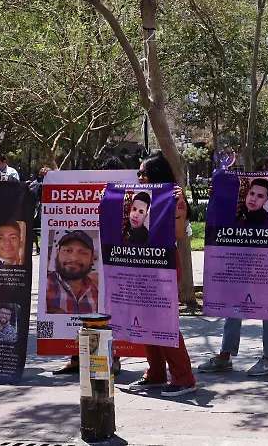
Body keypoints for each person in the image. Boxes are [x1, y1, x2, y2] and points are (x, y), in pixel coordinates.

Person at [199, 159, 268, 377]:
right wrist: (218, 194)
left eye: (260, 195)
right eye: (252, 194)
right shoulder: (241, 214)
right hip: (241, 262)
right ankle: (225, 355)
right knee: (233, 306)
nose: (254, 199)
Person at [128, 151, 197, 397]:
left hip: (164, 265)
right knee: (146, 319)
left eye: (143, 173)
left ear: (155, 174)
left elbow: (180, 235)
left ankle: (184, 377)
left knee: (164, 322)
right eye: (138, 173)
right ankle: (155, 372)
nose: (139, 178)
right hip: (141, 265)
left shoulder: (173, 198)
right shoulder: (138, 198)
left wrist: (179, 206)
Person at [53, 156, 124, 376]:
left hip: (115, 262)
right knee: (82, 314)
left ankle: (113, 358)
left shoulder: (126, 197)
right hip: (99, 259)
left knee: (111, 312)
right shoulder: (54, 283)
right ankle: (77, 358)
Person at [46, 230, 98, 315]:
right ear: (57, 254)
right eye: (67, 251)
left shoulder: (99, 292)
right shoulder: (43, 285)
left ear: (92, 259)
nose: (74, 258)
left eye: (83, 253)